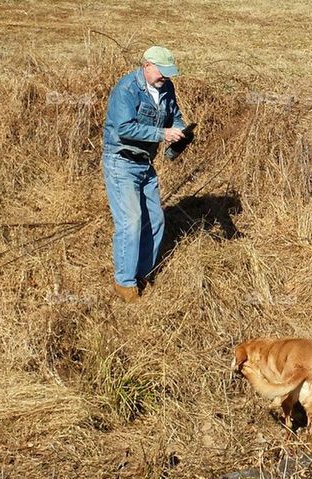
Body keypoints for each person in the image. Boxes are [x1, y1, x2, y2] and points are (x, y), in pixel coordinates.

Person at [102, 46, 187, 302]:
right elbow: (125, 128)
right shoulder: (126, 89)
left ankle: (142, 274)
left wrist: (181, 131)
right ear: (146, 65)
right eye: (162, 71)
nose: (166, 77)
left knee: (156, 220)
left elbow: (176, 117)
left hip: (145, 164)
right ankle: (124, 284)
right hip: (121, 163)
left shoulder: (167, 88)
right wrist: (162, 134)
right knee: (131, 222)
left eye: (169, 73)